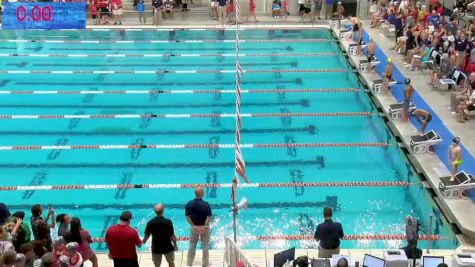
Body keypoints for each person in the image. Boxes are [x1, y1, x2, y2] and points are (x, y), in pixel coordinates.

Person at [186, 187, 212, 267]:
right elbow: (209, 217)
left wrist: (194, 226)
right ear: (202, 194)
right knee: (205, 245)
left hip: (194, 228)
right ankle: (205, 264)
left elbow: (187, 216)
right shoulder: (206, 204)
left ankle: (189, 263)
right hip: (205, 228)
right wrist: (204, 226)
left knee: (192, 245)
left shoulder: (189, 204)